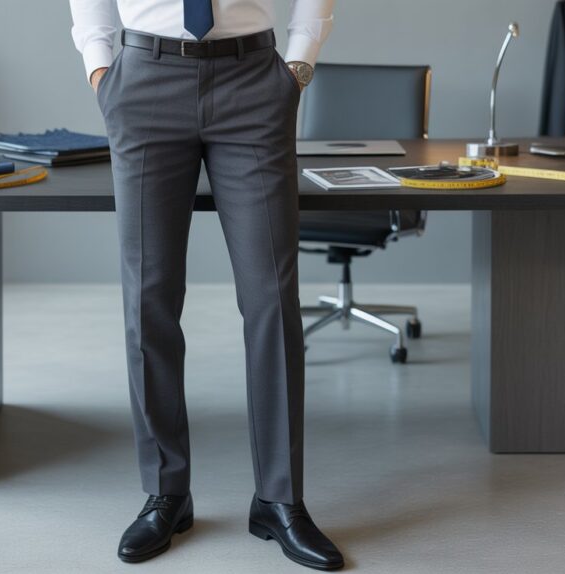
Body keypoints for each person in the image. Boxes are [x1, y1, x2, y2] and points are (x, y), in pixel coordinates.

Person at [69, 0, 341, 569]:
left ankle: (279, 498)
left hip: (254, 79)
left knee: (272, 297)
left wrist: (298, 68)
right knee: (149, 298)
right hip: (144, 80)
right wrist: (101, 70)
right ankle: (166, 492)